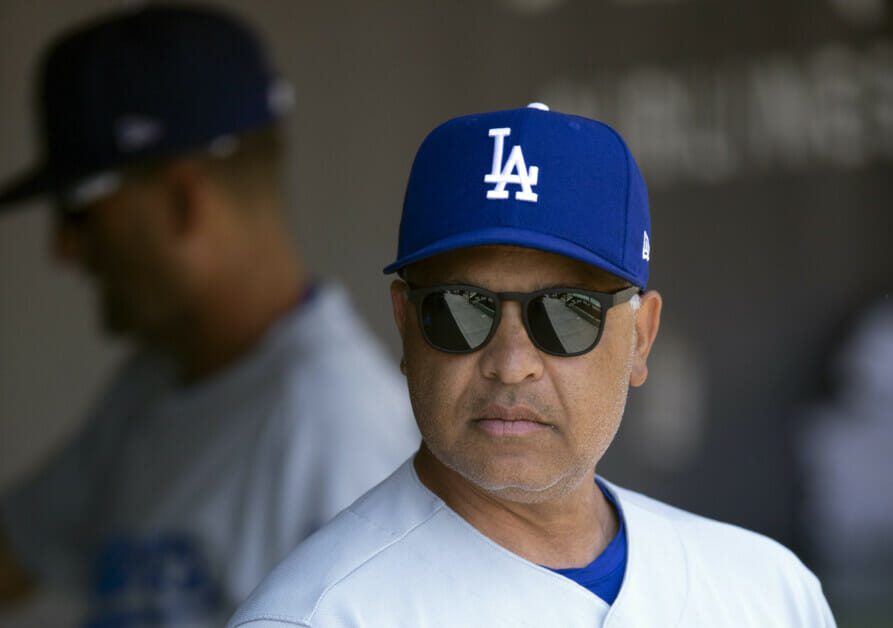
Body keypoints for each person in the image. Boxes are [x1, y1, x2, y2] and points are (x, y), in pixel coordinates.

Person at [229, 103, 836, 627]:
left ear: (640, 338)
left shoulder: (768, 593)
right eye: (462, 307)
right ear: (406, 325)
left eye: (567, 312)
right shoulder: (316, 617)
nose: (512, 363)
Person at [0, 5, 417, 627]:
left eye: (77, 211)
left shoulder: (337, 425)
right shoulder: (154, 384)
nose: (64, 249)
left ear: (181, 201)